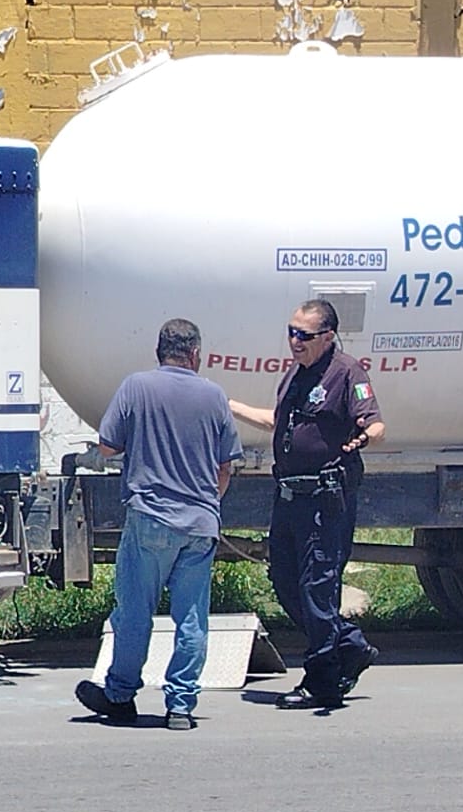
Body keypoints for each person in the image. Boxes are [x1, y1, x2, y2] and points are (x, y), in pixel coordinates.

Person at [73, 318, 244, 731]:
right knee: (191, 618)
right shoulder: (215, 395)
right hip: (201, 521)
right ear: (196, 355)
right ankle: (181, 706)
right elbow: (227, 466)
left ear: (158, 351)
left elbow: (109, 445)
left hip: (151, 517)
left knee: (134, 613)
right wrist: (208, 503)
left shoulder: (137, 386)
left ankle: (119, 695)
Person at [229, 298, 385, 710]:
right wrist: (228, 405)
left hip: (323, 500)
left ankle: (322, 682)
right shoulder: (296, 375)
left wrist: (367, 435)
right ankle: (349, 645)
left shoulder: (346, 372)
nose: (294, 341)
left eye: (303, 335)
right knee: (284, 581)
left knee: (318, 590)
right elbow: (277, 421)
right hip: (289, 498)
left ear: (328, 336)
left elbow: (374, 421)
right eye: (291, 332)